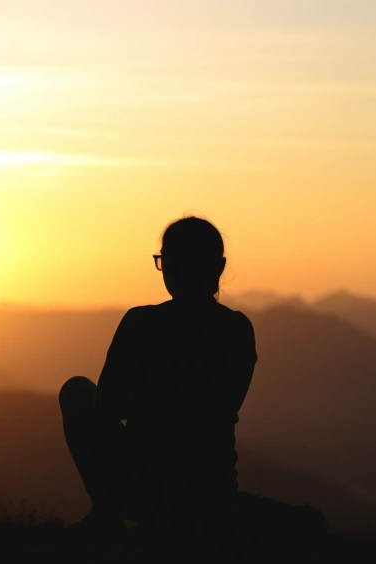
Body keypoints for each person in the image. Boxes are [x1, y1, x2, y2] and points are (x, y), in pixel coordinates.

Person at [59, 216, 257, 545]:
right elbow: (223, 409)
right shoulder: (238, 330)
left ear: (169, 267)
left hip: (142, 484)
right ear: (218, 267)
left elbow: (107, 406)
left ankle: (107, 514)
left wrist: (147, 405)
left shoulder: (142, 323)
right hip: (213, 488)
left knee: (77, 391)